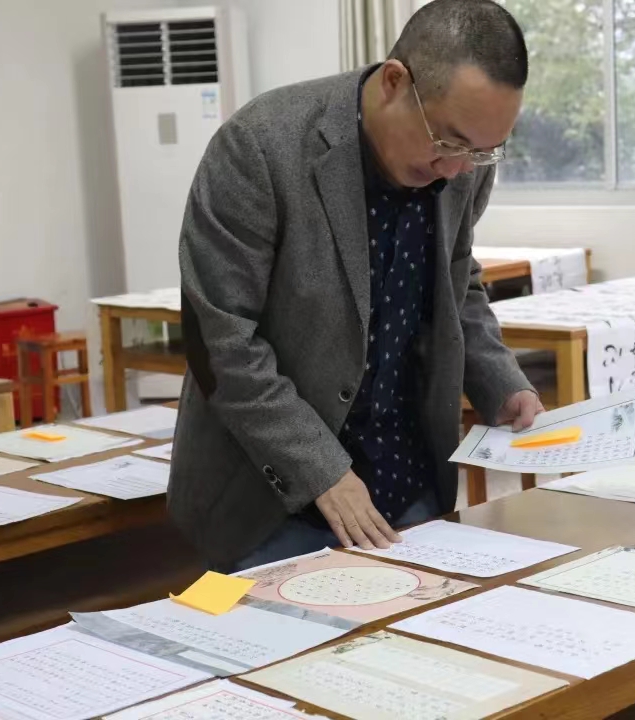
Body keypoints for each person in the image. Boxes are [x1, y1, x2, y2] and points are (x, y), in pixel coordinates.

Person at [169, 0, 542, 572]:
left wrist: (501, 381)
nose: (458, 169)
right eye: (449, 142)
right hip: (269, 504)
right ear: (394, 83)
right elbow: (220, 342)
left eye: (483, 151)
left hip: (408, 483)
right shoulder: (260, 148)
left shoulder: (465, 161)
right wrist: (321, 469)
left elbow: (456, 281)